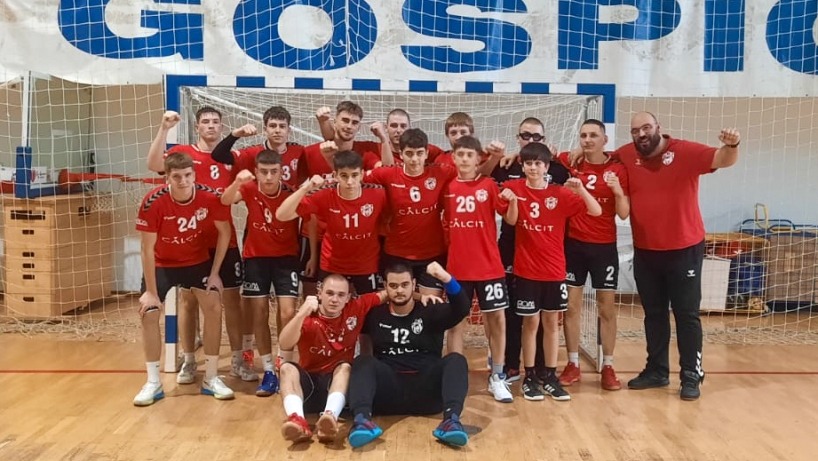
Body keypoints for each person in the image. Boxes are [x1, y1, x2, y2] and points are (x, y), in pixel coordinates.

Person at [616, 112, 740, 400]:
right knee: (654, 315)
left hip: (684, 250)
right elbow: (599, 157)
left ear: (658, 128)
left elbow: (722, 159)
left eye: (646, 128)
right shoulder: (626, 154)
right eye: (635, 131)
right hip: (646, 250)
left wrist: (732, 145)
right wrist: (572, 152)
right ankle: (657, 371)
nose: (641, 134)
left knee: (686, 315)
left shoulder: (685, 152)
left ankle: (691, 374)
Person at [145, 108, 254, 383]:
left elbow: (238, 195)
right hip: (193, 243)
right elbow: (154, 164)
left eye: (216, 122)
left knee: (231, 300)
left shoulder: (232, 157)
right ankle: (190, 360)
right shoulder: (183, 153)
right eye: (205, 122)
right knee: (188, 300)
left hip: (224, 239)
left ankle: (238, 360)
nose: (211, 126)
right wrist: (163, 128)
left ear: (222, 126)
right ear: (197, 127)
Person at [133, 153, 233, 406]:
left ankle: (211, 376)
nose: (183, 181)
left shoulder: (208, 196)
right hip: (162, 264)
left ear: (194, 175)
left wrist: (215, 273)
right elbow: (146, 249)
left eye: (187, 175)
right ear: (167, 178)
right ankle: (153, 382)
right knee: (149, 312)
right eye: (176, 176)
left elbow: (225, 231)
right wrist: (151, 292)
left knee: (213, 305)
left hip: (196, 261)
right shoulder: (153, 202)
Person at [503, 143, 601, 401]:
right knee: (530, 323)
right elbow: (510, 220)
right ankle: (530, 376)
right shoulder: (514, 188)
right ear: (522, 166)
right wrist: (510, 199)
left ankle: (549, 375)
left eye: (538, 163)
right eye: (528, 163)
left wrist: (581, 189)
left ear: (547, 167)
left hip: (555, 271)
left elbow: (596, 210)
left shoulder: (560, 194)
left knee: (551, 324)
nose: (533, 168)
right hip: (526, 271)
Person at [346, 262, 472, 448]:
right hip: (388, 393)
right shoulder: (374, 314)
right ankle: (362, 420)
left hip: (427, 392)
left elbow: (462, 307)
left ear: (413, 284)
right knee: (362, 361)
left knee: (456, 360)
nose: (399, 290)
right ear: (385, 287)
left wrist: (445, 277)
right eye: (393, 285)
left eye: (404, 285)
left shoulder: (430, 309)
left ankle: (451, 421)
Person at [492, 117, 570, 382]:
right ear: (518, 138)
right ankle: (512, 365)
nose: (531, 140)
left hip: (545, 251)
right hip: (511, 246)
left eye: (537, 137)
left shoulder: (556, 169)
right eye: (526, 135)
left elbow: (574, 183)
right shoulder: (506, 167)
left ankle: (542, 370)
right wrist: (500, 156)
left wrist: (567, 156)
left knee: (545, 316)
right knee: (515, 310)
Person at [442, 135, 517, 403]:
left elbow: (510, 218)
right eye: (460, 154)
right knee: (455, 324)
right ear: (453, 158)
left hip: (489, 267)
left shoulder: (489, 185)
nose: (464, 159)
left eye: (469, 155)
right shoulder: (447, 188)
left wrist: (513, 200)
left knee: (497, 320)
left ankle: (497, 375)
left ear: (478, 159)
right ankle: (455, 378)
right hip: (458, 269)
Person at [556, 119, 630, 391]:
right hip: (574, 246)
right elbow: (544, 153)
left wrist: (617, 191)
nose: (587, 140)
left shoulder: (617, 170)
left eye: (593, 135)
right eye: (584, 135)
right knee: (571, 307)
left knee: (606, 307)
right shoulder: (571, 162)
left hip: (604, 247)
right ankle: (573, 363)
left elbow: (624, 213)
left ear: (604, 140)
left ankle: (608, 365)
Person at [220, 150, 301, 396]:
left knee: (288, 313)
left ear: (281, 172)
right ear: (256, 172)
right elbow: (225, 200)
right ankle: (267, 370)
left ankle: (283, 363)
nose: (268, 177)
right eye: (263, 172)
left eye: (273, 172)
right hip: (256, 258)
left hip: (286, 259)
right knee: (259, 312)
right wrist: (237, 180)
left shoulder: (291, 193)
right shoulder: (249, 188)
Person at [276, 275, 386, 443]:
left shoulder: (356, 307)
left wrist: (420, 296)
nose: (335, 299)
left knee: (345, 367)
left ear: (348, 297)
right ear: (319, 293)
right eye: (329, 293)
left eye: (341, 295)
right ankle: (297, 419)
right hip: (308, 389)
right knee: (286, 368)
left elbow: (389, 293)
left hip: (337, 387)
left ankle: (330, 417)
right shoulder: (307, 317)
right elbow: (284, 343)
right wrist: (301, 314)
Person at [276, 150, 387, 295]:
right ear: (335, 175)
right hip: (332, 265)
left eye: (354, 175)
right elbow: (281, 215)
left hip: (366, 266)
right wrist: (305, 188)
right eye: (344, 176)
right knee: (327, 306)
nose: (350, 182)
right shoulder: (324, 194)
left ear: (361, 175)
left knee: (367, 307)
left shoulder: (378, 194)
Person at [365, 128, 457, 297]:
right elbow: (354, 179)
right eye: (409, 153)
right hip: (397, 253)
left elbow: (471, 172)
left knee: (431, 304)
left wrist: (498, 157)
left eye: (419, 153)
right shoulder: (388, 174)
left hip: (432, 254)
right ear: (401, 154)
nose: (414, 159)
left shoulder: (442, 172)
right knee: (399, 300)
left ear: (426, 153)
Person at [210, 105, 305, 188]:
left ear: (289, 130)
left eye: (282, 126)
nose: (277, 130)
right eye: (272, 126)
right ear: (265, 130)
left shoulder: (299, 151)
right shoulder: (253, 153)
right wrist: (234, 135)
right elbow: (218, 155)